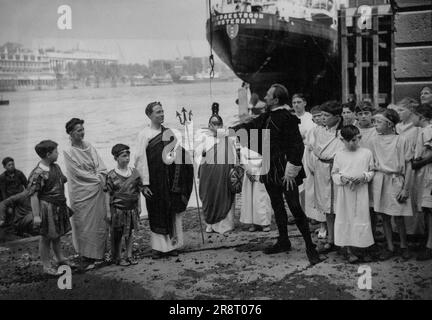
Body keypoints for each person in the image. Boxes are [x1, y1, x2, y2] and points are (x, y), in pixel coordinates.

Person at [231, 84, 320, 265]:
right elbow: (250, 126)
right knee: (277, 205)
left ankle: (310, 246)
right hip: (270, 167)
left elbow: (297, 146)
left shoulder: (288, 118)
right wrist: (231, 130)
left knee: (295, 207)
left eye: (269, 94)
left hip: (286, 168)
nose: (265, 96)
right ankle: (283, 240)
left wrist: (292, 170)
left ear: (276, 99)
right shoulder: (267, 116)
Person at [135, 101, 193, 259]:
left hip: (171, 181)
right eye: (158, 112)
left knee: (172, 211)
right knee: (157, 212)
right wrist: (144, 184)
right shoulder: (144, 135)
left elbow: (177, 153)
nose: (161, 114)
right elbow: (140, 160)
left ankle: (173, 245)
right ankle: (159, 248)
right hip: (155, 182)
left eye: (162, 111)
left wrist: (187, 156)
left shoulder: (169, 133)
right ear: (149, 115)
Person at [63, 118, 109, 267]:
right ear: (70, 133)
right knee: (82, 222)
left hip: (96, 189)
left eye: (83, 129)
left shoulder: (89, 146)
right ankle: (86, 253)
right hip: (80, 191)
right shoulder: (68, 151)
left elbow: (100, 165)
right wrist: (96, 179)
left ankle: (98, 254)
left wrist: (100, 177)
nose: (82, 132)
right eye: (78, 130)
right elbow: (76, 173)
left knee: (98, 222)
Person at [370, 109, 413, 261]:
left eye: (378, 121)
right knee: (384, 216)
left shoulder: (401, 140)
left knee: (398, 216)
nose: (375, 124)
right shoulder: (374, 140)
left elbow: (408, 166)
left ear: (389, 124)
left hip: (396, 180)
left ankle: (403, 245)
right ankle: (389, 246)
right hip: (380, 179)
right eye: (374, 121)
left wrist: (406, 188)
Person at [28, 140, 74, 275]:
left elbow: (63, 180)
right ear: (48, 154)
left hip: (58, 206)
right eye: (56, 151)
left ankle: (60, 258)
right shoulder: (38, 173)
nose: (58, 153)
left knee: (57, 234)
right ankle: (46, 265)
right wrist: (36, 216)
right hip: (46, 207)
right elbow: (33, 196)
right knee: (45, 237)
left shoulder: (55, 167)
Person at [332, 125, 375, 263]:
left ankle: (363, 248)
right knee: (347, 219)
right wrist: (342, 178)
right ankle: (349, 250)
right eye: (349, 140)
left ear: (359, 138)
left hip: (361, 191)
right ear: (342, 140)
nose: (353, 143)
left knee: (361, 218)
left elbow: (371, 170)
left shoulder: (366, 153)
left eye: (355, 140)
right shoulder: (339, 154)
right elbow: (335, 173)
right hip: (345, 192)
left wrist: (364, 177)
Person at [311, 101, 345, 254]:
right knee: (327, 207)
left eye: (327, 115)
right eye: (322, 115)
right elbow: (315, 149)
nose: (323, 118)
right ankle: (331, 239)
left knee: (340, 206)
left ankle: (343, 240)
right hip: (322, 169)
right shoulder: (318, 131)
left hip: (338, 169)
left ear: (337, 117)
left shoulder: (343, 132)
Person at [198, 105, 236, 235]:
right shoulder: (204, 137)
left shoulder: (227, 137)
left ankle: (225, 225)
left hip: (224, 174)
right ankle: (210, 224)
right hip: (208, 176)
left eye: (218, 124)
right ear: (209, 125)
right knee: (209, 197)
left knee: (224, 195)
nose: (216, 126)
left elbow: (234, 155)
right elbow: (198, 156)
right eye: (213, 123)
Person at [105, 144, 144, 266]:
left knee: (130, 233)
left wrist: (139, 205)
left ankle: (129, 255)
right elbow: (107, 194)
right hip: (118, 210)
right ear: (116, 158)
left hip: (131, 209)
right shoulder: (111, 175)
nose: (127, 158)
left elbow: (138, 191)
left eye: (128, 155)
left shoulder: (134, 173)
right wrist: (107, 211)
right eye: (123, 156)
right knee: (118, 233)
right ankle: (119, 257)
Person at [393, 98, 423, 236]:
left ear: (410, 111)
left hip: (411, 167)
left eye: (402, 110)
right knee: (396, 199)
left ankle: (413, 232)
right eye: (397, 110)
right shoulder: (397, 127)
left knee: (412, 199)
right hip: (397, 168)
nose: (399, 113)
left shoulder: (416, 129)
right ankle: (398, 232)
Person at [411, 103, 432, 260]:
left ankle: (430, 246)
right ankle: (426, 240)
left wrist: (417, 163)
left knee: (429, 209)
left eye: (414, 115)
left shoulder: (429, 130)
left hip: (429, 174)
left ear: (421, 117)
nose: (412, 118)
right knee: (425, 209)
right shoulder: (422, 131)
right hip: (423, 174)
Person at [304, 105, 327, 239]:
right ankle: (322, 223)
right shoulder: (311, 131)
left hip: (323, 166)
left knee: (325, 196)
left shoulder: (327, 131)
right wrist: (309, 167)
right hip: (312, 166)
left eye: (320, 115)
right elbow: (307, 150)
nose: (318, 118)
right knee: (315, 195)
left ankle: (327, 226)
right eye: (315, 116)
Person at [239, 146, 272, 232]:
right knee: (250, 199)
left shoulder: (263, 141)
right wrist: (248, 170)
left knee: (261, 197)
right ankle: (253, 223)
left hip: (261, 172)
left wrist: (257, 169)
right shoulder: (245, 144)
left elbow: (266, 156)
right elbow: (243, 157)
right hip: (249, 173)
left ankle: (265, 223)